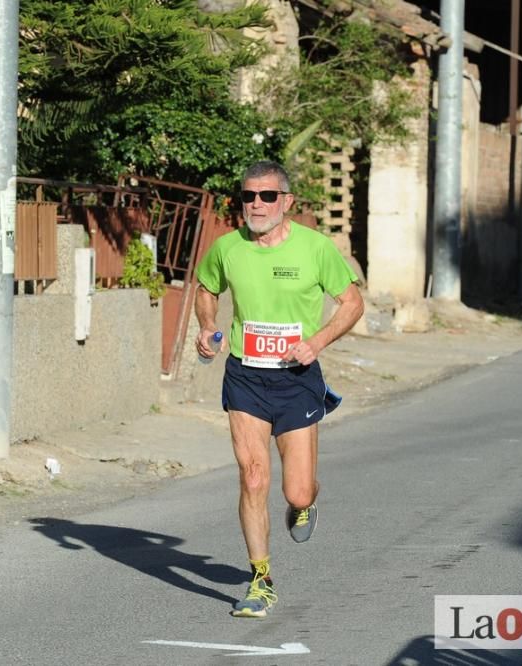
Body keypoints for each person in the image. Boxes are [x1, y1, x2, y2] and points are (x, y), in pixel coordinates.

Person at [193, 160, 364, 618]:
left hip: (296, 379)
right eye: (249, 196)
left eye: (268, 196)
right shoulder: (228, 247)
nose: (257, 204)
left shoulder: (315, 248)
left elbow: (352, 302)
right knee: (252, 476)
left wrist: (318, 342)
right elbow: (205, 289)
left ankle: (306, 501)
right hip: (246, 375)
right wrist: (208, 326)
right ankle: (260, 580)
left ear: (286, 202)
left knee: (297, 492)